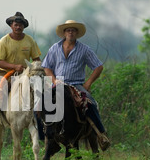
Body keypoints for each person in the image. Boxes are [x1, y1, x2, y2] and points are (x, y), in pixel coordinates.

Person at [41, 19, 110, 151]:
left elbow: (98, 67)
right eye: (68, 30)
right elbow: (47, 67)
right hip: (58, 83)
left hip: (76, 84)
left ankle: (101, 134)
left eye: (73, 30)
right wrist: (54, 80)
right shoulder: (54, 48)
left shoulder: (84, 49)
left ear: (77, 33)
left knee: (91, 104)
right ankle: (46, 137)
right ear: (64, 33)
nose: (70, 32)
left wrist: (88, 83)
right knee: (40, 105)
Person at [0, 12, 42, 135]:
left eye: (20, 25)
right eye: (16, 25)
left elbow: (36, 60)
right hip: (5, 74)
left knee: (44, 90)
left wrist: (35, 69)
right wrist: (14, 67)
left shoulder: (30, 41)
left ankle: (45, 124)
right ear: (11, 26)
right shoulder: (4, 41)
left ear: (24, 27)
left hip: (26, 74)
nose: (18, 27)